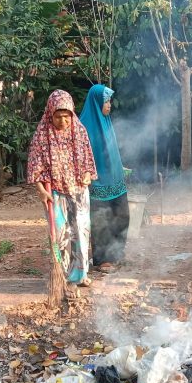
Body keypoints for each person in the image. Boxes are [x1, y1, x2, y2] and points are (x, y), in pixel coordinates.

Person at [27, 90, 97, 292]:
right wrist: (41, 190)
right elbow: (35, 166)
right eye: (58, 116)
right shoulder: (42, 134)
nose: (63, 121)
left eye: (67, 116)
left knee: (81, 232)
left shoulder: (79, 130)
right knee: (60, 234)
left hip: (78, 191)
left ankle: (81, 273)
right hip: (55, 192)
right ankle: (63, 275)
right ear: (50, 114)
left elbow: (88, 160)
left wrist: (86, 175)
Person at [79, 84, 129, 273]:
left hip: (115, 178)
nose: (109, 105)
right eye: (106, 101)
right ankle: (102, 260)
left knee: (123, 215)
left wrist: (119, 166)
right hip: (97, 180)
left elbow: (111, 150)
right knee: (101, 219)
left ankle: (116, 254)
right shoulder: (83, 125)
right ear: (96, 102)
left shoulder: (106, 121)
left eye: (109, 101)